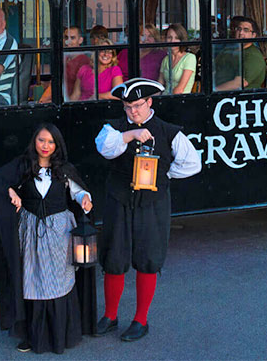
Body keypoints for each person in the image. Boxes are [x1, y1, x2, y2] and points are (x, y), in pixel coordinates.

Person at [93, 78, 203, 342]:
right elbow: (105, 149)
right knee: (114, 258)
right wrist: (130, 134)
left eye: (138, 106)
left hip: (152, 203)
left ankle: (140, 320)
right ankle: (110, 316)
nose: (133, 112)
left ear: (150, 102)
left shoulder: (168, 131)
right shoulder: (114, 129)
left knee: (148, 258)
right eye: (128, 107)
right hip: (119, 200)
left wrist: (163, 176)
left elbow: (192, 163)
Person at [0, 123, 94, 354]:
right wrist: (11, 191)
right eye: (41, 140)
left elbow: (78, 192)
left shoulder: (64, 169)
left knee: (58, 281)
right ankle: (30, 335)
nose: (45, 146)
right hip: (30, 231)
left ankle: (60, 335)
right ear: (34, 142)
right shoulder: (23, 165)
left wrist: (85, 198)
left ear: (57, 145)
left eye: (50, 142)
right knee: (32, 281)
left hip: (59, 232)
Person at [213, 16, 267, 90]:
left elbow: (239, 83)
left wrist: (214, 91)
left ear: (254, 35)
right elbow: (213, 70)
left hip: (241, 98)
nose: (241, 33)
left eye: (246, 30)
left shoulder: (253, 56)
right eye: (239, 29)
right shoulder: (228, 50)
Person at [39, 26, 89, 103]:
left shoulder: (84, 61)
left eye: (72, 38)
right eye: (66, 38)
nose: (68, 42)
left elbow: (82, 91)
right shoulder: (63, 58)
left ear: (80, 40)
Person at [158, 23, 196, 94]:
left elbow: (180, 89)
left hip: (180, 100)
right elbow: (160, 84)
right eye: (169, 37)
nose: (172, 41)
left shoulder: (190, 58)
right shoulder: (165, 59)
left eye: (177, 38)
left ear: (182, 40)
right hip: (164, 98)